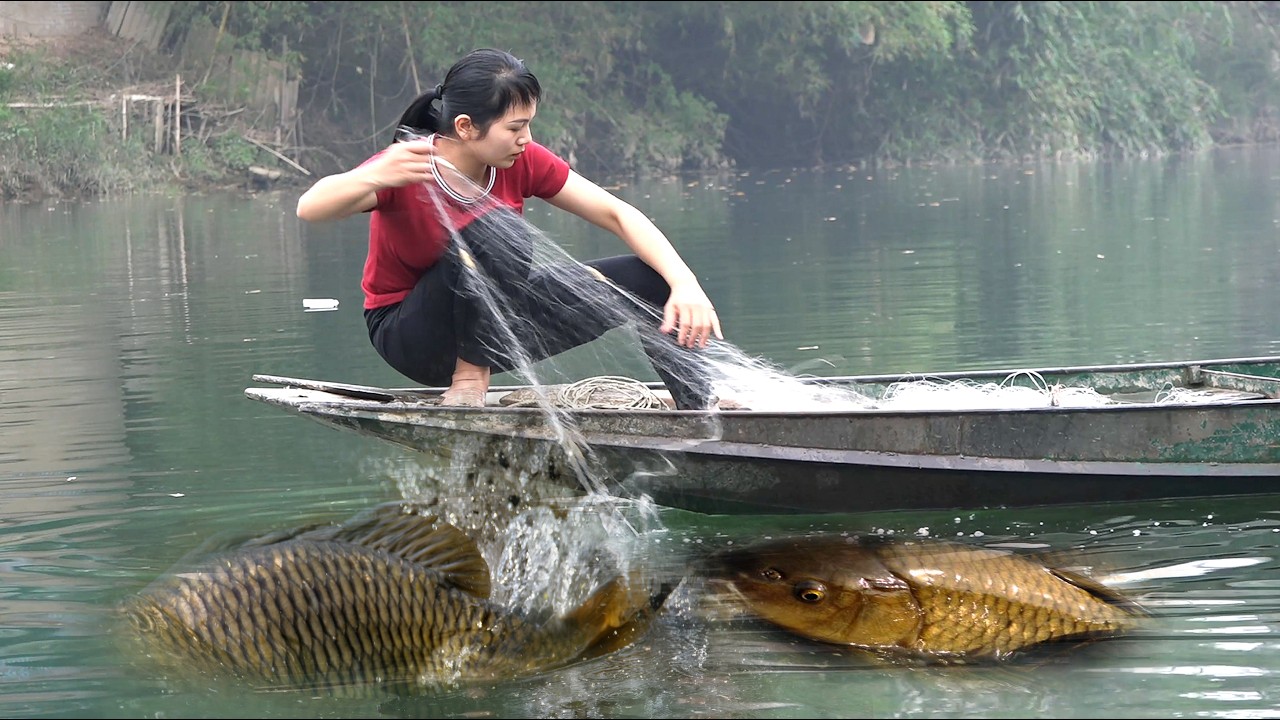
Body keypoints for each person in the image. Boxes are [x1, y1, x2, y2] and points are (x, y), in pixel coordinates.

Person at [296, 48, 723, 409]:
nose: (527, 138)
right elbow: (310, 209)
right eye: (516, 128)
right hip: (413, 336)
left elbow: (616, 213)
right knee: (502, 232)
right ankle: (470, 377)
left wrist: (685, 284)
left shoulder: (520, 159)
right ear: (465, 127)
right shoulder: (408, 166)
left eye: (529, 124)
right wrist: (372, 176)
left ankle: (699, 408)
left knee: (652, 279)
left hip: (495, 326)